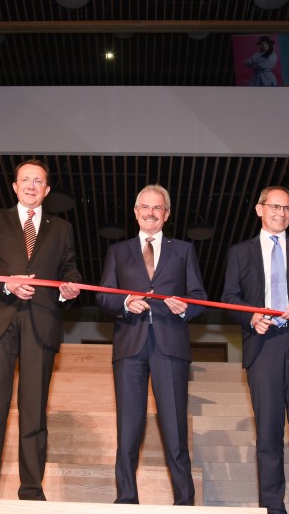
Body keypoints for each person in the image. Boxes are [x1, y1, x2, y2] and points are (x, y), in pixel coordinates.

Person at [0, 159, 83, 501]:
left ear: (47, 190)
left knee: (34, 411)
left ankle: (31, 490)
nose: (31, 186)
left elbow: (69, 268)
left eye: (38, 181)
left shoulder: (61, 228)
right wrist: (7, 283)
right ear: (15, 186)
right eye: (25, 180)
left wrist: (70, 287)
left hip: (41, 323)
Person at [221, 186, 289, 514]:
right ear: (259, 209)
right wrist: (250, 316)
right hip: (263, 346)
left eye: (286, 209)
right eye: (274, 207)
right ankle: (272, 506)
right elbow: (228, 299)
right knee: (268, 434)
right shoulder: (240, 253)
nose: (281, 213)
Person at [96, 184, 207, 505]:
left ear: (167, 214)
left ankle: (184, 500)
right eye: (144, 207)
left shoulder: (184, 250)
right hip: (129, 348)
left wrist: (186, 306)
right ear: (135, 212)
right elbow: (103, 295)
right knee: (129, 428)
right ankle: (126, 498)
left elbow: (200, 297)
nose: (150, 212)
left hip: (171, 348)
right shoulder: (118, 252)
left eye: (157, 208)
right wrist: (125, 301)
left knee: (174, 429)